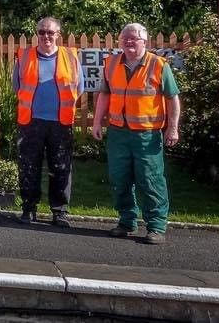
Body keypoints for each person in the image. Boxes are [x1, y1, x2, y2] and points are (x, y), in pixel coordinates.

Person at [93, 22, 183, 245]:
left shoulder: (159, 65)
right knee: (119, 179)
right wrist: (97, 122)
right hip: (118, 133)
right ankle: (126, 222)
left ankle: (156, 227)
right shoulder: (112, 64)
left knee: (150, 181)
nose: (129, 42)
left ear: (145, 41)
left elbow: (173, 99)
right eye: (125, 38)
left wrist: (172, 128)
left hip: (147, 136)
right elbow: (104, 95)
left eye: (134, 38)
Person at [14, 17, 83, 227]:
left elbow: (78, 88)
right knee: (28, 166)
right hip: (30, 121)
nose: (46, 36)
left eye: (50, 33)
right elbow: (16, 85)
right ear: (37, 34)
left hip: (60, 122)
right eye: (41, 32)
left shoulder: (70, 57)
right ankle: (29, 208)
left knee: (61, 167)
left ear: (58, 35)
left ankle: (59, 212)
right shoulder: (24, 56)